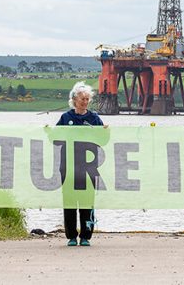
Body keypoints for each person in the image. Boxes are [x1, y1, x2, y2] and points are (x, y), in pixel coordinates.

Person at [56, 81, 107, 246]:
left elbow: (103, 141)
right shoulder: (66, 117)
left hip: (89, 167)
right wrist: (50, 131)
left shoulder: (94, 118)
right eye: (82, 98)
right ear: (74, 99)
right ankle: (71, 236)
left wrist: (105, 132)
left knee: (87, 202)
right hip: (68, 166)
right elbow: (56, 140)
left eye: (87, 99)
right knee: (70, 202)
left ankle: (86, 236)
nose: (85, 101)